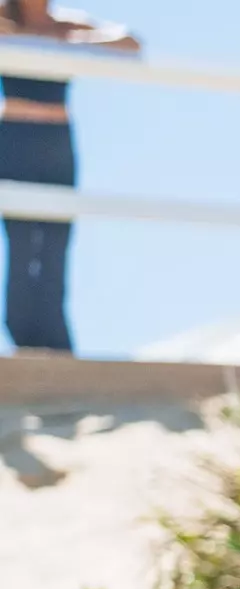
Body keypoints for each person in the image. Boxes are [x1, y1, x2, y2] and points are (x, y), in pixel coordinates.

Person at [0, 0, 138, 353]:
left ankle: (56, 343)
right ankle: (21, 334)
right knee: (21, 242)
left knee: (56, 244)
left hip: (57, 145)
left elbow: (130, 42)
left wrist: (72, 42)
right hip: (15, 143)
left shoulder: (67, 24)